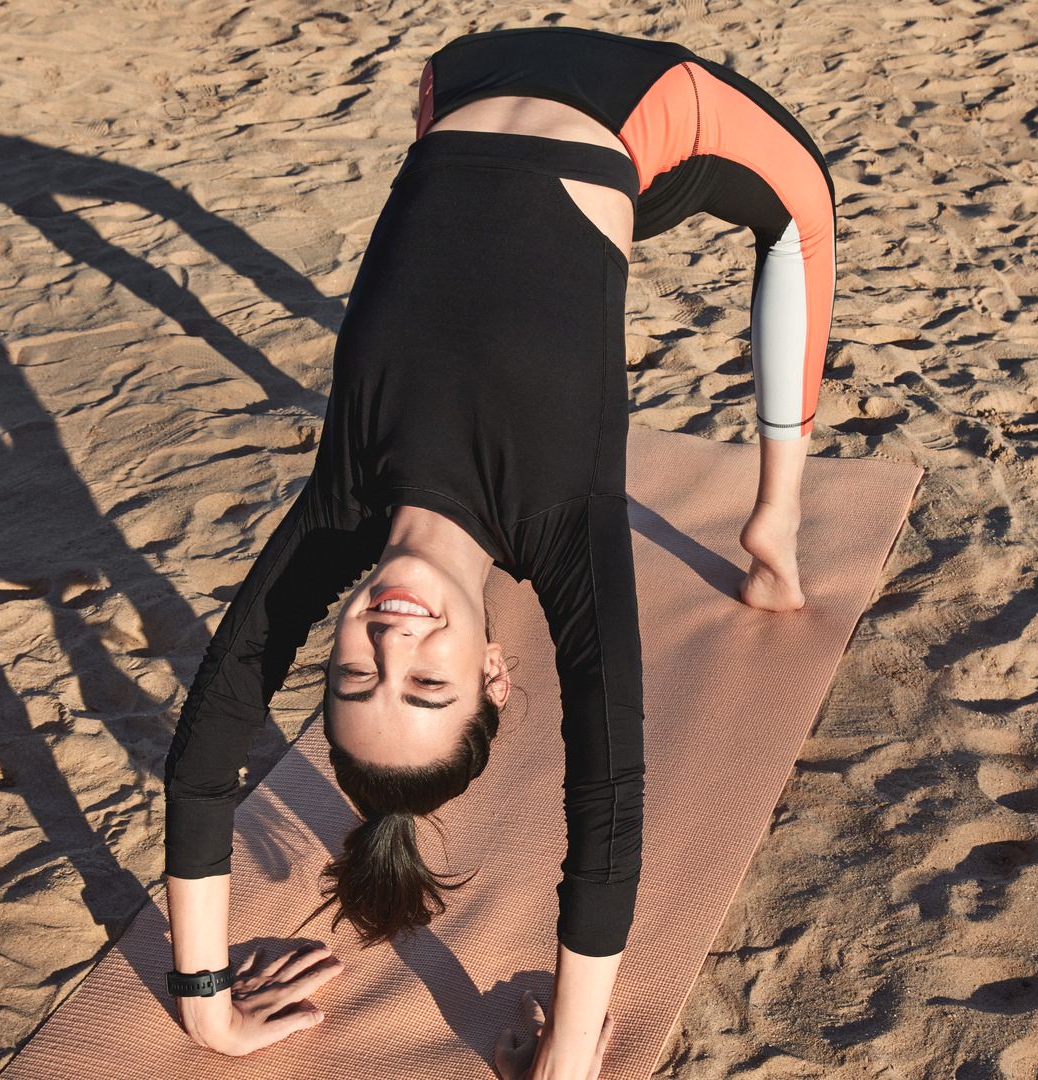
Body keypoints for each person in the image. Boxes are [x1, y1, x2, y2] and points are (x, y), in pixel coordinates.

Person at [156, 24, 836, 1078]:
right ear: (494, 673)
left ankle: (773, 521)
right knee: (805, 206)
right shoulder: (564, 524)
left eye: (350, 671)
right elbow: (606, 804)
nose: (389, 638)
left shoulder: (338, 510)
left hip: (458, 79)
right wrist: (567, 1055)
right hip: (637, 104)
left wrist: (206, 1003)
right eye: (425, 684)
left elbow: (205, 756)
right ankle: (775, 521)